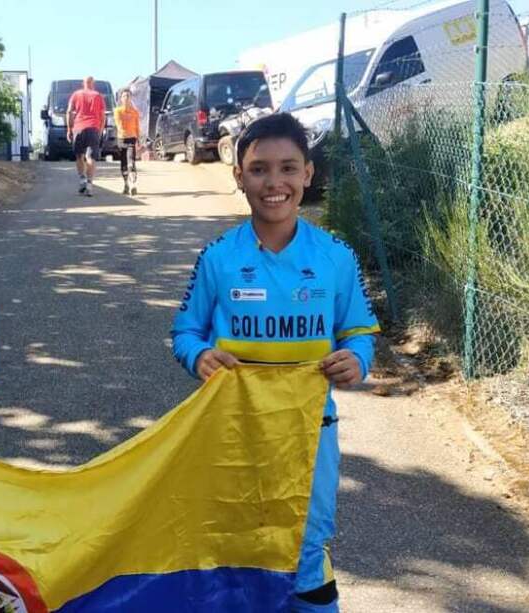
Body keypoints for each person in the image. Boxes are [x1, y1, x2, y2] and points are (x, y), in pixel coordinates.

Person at [170, 113, 380, 613]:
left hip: (310, 432)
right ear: (239, 175)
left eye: (288, 168)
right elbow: (185, 331)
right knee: (237, 543)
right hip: (233, 432)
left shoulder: (335, 256)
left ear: (308, 173)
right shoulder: (218, 257)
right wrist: (198, 356)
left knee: (305, 547)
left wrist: (358, 360)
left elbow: (359, 331)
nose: (274, 183)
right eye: (259, 169)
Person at [66, 76, 105, 196]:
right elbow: (103, 115)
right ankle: (89, 183)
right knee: (90, 157)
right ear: (93, 84)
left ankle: (82, 178)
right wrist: (100, 129)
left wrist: (69, 129)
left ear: (83, 83)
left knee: (79, 156)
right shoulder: (98, 96)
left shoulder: (76, 94)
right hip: (93, 128)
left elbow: (69, 112)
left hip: (79, 127)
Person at [114, 89, 140, 195]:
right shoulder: (118, 111)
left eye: (128, 96)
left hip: (131, 139)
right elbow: (119, 124)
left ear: (131, 98)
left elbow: (137, 126)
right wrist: (122, 132)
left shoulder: (135, 112)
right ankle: (126, 184)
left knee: (131, 161)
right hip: (121, 139)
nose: (126, 98)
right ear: (121, 99)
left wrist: (138, 139)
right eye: (124, 96)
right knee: (123, 163)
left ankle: (133, 184)